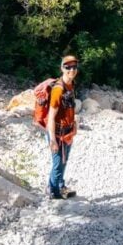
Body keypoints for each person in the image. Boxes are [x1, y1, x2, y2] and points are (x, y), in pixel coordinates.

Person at [45, 54, 79, 199]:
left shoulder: (71, 84)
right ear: (62, 68)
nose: (71, 70)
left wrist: (74, 125)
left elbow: (70, 108)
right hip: (57, 133)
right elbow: (51, 117)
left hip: (68, 131)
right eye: (68, 67)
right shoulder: (58, 90)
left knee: (63, 162)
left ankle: (60, 185)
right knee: (58, 163)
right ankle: (53, 191)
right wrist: (52, 139)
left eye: (74, 67)